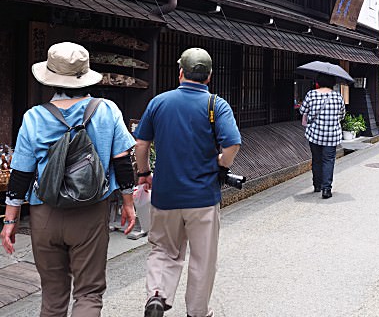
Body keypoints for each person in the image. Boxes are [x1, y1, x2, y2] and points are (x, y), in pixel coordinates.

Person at [1, 42, 136, 317]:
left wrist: (10, 220)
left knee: (52, 296)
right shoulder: (107, 110)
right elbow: (122, 162)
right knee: (88, 293)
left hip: (45, 213)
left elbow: (21, 174)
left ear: (51, 78)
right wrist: (128, 204)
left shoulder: (34, 117)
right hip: (91, 210)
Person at [134, 48, 241, 317]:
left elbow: (141, 143)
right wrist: (221, 163)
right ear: (209, 76)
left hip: (165, 195)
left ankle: (157, 296)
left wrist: (144, 172)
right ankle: (197, 311)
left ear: (180, 72)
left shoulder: (159, 102)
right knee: (203, 259)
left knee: (163, 250)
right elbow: (232, 144)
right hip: (203, 198)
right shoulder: (217, 105)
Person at [299, 74, 345, 199]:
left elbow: (302, 111)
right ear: (333, 83)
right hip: (331, 135)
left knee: (317, 159)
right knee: (328, 160)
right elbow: (342, 115)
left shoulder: (311, 94)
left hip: (315, 134)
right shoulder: (338, 96)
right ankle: (326, 189)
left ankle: (317, 185)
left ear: (318, 82)